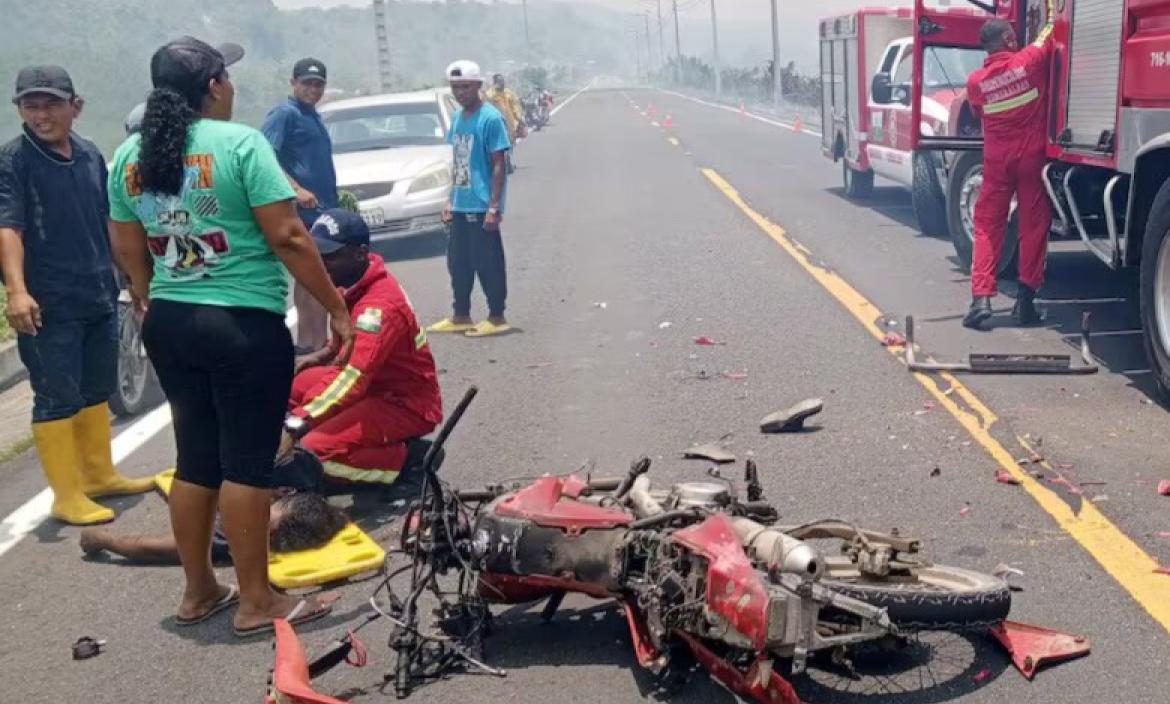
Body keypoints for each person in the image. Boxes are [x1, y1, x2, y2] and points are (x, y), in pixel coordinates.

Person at [107, 37, 355, 637]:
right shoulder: (241, 144)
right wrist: (336, 306)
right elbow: (291, 237)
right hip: (241, 324)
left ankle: (198, 592)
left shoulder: (129, 155)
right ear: (214, 85)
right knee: (248, 464)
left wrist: (147, 293)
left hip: (169, 321)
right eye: (228, 77)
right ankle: (256, 600)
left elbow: (125, 242)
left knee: (196, 459)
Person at [0, 65, 154, 526]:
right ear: (19, 110)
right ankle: (66, 495)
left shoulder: (88, 154)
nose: (41, 114)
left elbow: (109, 220)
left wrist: (130, 275)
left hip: (97, 293)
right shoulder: (13, 161)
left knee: (96, 387)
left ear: (76, 106)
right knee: (56, 394)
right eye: (31, 105)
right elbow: (8, 227)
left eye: (51, 104)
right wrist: (17, 291)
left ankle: (99, 474)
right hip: (48, 302)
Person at [284, 209, 442, 494]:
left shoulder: (378, 308)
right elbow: (346, 348)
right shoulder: (353, 284)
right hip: (373, 384)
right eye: (319, 253)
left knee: (313, 452)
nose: (322, 263)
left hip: (404, 403)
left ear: (360, 253)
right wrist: (319, 356)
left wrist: (300, 422)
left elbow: (353, 378)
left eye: (330, 255)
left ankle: (407, 463)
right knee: (291, 385)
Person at [79, 449, 349, 570]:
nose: (250, 520)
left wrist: (104, 540)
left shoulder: (233, 536)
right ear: (283, 493)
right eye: (262, 511)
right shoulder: (293, 466)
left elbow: (154, 547)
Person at [962, 2, 1054, 330]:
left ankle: (981, 300)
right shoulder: (1028, 62)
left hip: (997, 162)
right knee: (1033, 226)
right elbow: (1050, 32)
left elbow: (978, 114)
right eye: (1012, 34)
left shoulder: (975, 82)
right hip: (1031, 160)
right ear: (1008, 39)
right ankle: (1026, 302)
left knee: (987, 225)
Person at [427, 60, 512, 338]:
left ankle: (497, 316)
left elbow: (499, 164)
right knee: (458, 263)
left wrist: (494, 206)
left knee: (487, 262)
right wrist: (450, 199)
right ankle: (461, 314)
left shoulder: (490, 118)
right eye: (455, 88)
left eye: (465, 86)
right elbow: (458, 162)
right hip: (461, 202)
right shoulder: (458, 119)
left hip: (481, 203)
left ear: (477, 86)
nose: (460, 92)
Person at [262, 58, 337, 353]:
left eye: (318, 84)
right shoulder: (285, 114)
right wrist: (296, 188)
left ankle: (314, 339)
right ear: (293, 83)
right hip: (301, 211)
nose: (312, 89)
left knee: (316, 275)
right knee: (310, 274)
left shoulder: (311, 115)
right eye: (307, 83)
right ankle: (310, 342)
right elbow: (265, 156)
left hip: (322, 209)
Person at [484, 73, 524, 174]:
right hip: (496, 123)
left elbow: (515, 105)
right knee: (499, 144)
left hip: (509, 123)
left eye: (502, 80)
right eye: (499, 81)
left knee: (509, 143)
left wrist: (519, 117)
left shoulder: (508, 93)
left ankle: (508, 162)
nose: (501, 83)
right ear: (495, 82)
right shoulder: (490, 94)